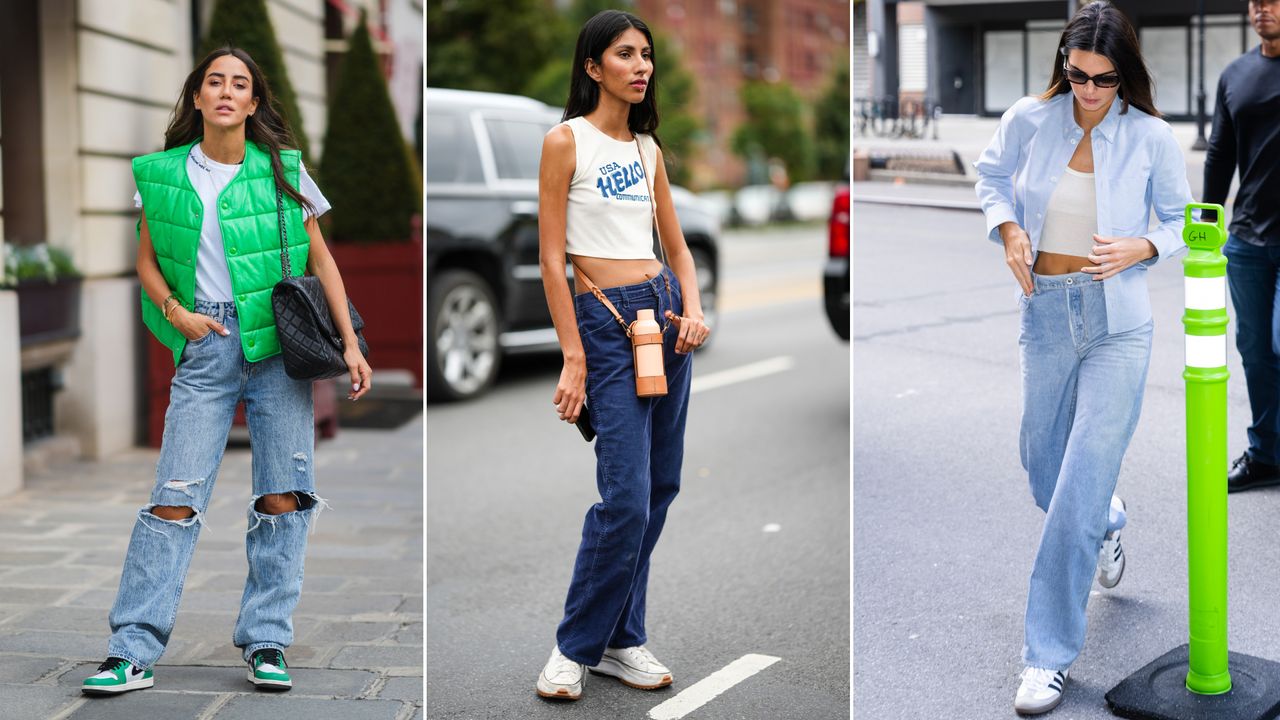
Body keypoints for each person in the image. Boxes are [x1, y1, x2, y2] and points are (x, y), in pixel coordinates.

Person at [82, 47, 372, 696]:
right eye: (214, 81)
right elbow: (148, 261)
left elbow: (321, 262)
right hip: (205, 344)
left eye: (239, 84)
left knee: (282, 497)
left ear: (253, 104)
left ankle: (267, 642)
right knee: (173, 499)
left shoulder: (283, 171)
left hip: (278, 347)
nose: (225, 91)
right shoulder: (160, 174)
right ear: (196, 97)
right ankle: (130, 651)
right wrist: (175, 313)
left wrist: (351, 343)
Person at [974, 2, 1191, 714]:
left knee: (1073, 492)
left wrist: (1146, 246)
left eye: (1103, 79)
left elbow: (1181, 219)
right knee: (1044, 469)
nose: (1089, 91)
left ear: (1125, 75)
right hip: (1046, 311)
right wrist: (1007, 230)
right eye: (1077, 76)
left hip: (1118, 323)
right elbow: (990, 176)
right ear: (1062, 68)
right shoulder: (1030, 120)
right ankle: (1110, 515)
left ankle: (1047, 657)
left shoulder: (1152, 136)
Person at [534, 9, 710, 702]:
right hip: (605, 326)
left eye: (647, 56)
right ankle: (574, 646)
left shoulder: (647, 150)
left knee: (660, 487)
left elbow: (680, 247)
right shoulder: (564, 142)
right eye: (626, 55)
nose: (641, 67)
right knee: (627, 499)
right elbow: (552, 261)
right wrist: (572, 356)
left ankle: (621, 638)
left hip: (663, 318)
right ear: (592, 66)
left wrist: (693, 310)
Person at [1203, 0, 1280, 493]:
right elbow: (1220, 153)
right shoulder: (1235, 74)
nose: (1261, 9)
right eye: (1254, 2)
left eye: (1271, 1)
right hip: (1248, 239)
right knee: (1255, 351)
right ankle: (1267, 453)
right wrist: (1207, 228)